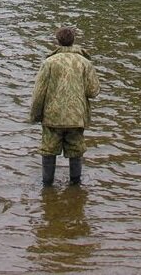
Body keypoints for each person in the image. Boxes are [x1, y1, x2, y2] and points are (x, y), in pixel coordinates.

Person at [29, 27, 99, 187]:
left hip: (52, 117)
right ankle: (75, 187)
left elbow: (39, 94)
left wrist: (35, 116)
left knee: (48, 151)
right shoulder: (85, 63)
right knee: (76, 150)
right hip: (76, 117)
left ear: (57, 41)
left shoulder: (49, 62)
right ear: (73, 40)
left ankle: (47, 187)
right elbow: (93, 91)